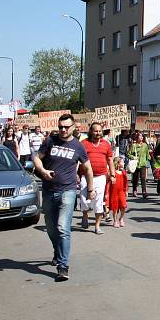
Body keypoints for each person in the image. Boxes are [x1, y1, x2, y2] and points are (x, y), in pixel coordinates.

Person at [32, 113, 94, 282]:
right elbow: (37, 158)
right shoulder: (50, 141)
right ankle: (56, 250)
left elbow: (88, 169)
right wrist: (43, 171)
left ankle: (63, 266)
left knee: (62, 228)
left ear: (73, 127)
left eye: (67, 127)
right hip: (49, 191)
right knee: (51, 228)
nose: (63, 130)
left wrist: (90, 188)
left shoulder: (78, 146)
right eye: (61, 127)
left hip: (68, 191)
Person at [78, 122, 114, 234]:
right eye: (95, 131)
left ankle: (97, 226)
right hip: (85, 176)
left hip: (100, 177)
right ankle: (85, 215)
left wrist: (112, 174)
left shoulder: (106, 144)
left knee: (98, 201)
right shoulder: (84, 143)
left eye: (99, 131)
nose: (98, 133)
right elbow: (77, 160)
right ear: (91, 131)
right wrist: (76, 175)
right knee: (84, 200)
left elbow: (110, 160)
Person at [128, 132, 150, 198]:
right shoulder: (134, 145)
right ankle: (134, 190)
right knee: (135, 178)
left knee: (143, 178)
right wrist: (133, 157)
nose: (142, 137)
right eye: (140, 136)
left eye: (142, 136)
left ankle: (144, 191)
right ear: (137, 137)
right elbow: (129, 154)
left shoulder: (145, 145)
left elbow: (147, 154)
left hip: (143, 164)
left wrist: (150, 158)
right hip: (136, 164)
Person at [108, 156, 128, 227]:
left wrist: (126, 191)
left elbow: (126, 183)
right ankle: (115, 220)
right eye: (122, 162)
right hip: (114, 192)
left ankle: (121, 218)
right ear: (118, 163)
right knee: (115, 207)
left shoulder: (123, 172)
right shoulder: (113, 173)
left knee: (123, 206)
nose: (124, 163)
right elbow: (109, 183)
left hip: (121, 192)